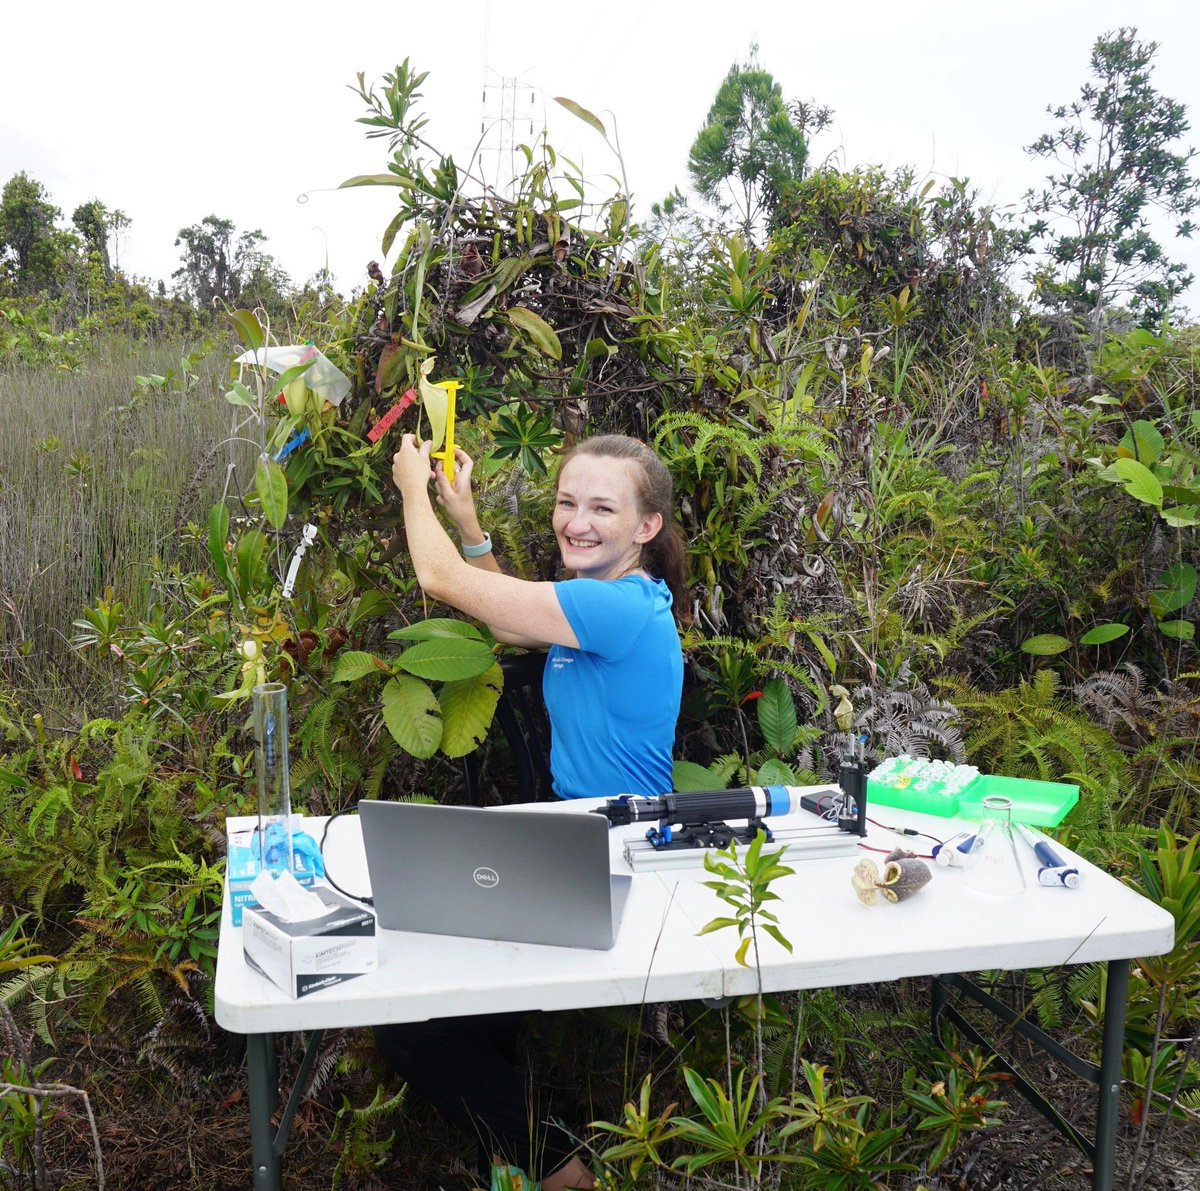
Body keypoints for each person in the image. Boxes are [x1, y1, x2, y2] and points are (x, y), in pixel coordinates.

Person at [377, 432, 686, 1190]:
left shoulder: (620, 610)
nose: (576, 521)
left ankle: (558, 1168)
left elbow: (436, 577)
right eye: (567, 502)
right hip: (570, 840)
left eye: (602, 507)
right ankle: (530, 1155)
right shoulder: (601, 603)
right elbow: (512, 622)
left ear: (646, 527)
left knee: (418, 1037)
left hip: (620, 854)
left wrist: (414, 487)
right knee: (467, 1012)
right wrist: (468, 514)